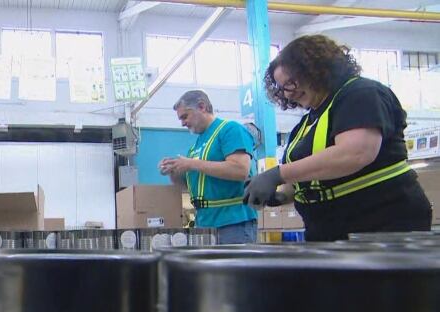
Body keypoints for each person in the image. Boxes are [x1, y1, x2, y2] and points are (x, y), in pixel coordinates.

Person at [244, 34, 431, 242]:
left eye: (291, 82)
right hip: (329, 229)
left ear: (314, 69)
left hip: (380, 222)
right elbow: (311, 176)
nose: (288, 93)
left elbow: (355, 153)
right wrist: (282, 195)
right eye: (282, 88)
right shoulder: (308, 123)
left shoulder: (361, 94)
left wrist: (277, 174)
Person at [159, 90, 258, 244]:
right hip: (204, 223)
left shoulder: (230, 130)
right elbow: (190, 184)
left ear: (202, 106)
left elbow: (240, 170)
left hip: (232, 223)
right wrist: (172, 171)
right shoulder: (197, 146)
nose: (183, 123)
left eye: (185, 116)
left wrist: (191, 163)